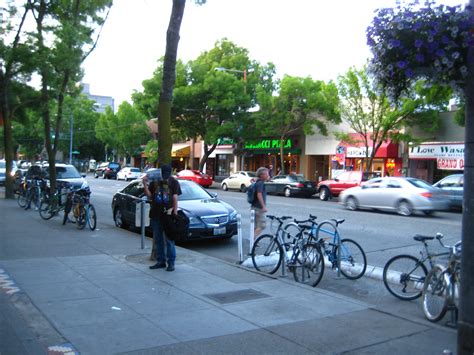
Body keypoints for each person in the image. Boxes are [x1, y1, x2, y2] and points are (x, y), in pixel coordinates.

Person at [143, 164, 181, 272]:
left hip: (167, 215)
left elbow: (175, 197)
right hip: (156, 214)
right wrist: (144, 184)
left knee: (169, 240)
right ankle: (161, 261)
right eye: (164, 173)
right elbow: (150, 196)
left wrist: (174, 211)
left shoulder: (173, 182)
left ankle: (171, 262)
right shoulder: (155, 181)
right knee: (158, 239)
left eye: (167, 173)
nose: (165, 176)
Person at [251, 166, 269, 239]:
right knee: (262, 225)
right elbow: (259, 194)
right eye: (266, 174)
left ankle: (253, 241)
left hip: (254, 207)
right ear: (262, 175)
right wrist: (263, 206)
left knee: (256, 225)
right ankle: (253, 238)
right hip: (258, 208)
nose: (268, 175)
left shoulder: (257, 182)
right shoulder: (260, 183)